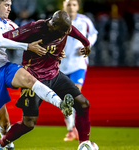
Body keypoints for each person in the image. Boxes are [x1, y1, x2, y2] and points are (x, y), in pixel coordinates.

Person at [0, 10, 91, 150]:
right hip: (33, 79)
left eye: (65, 32)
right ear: (52, 24)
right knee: (28, 123)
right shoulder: (33, 29)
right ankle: (0, 144)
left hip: (54, 74)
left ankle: (84, 143)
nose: (63, 34)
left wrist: (86, 43)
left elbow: (75, 32)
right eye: (61, 31)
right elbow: (0, 39)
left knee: (83, 104)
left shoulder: (64, 28)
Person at [60, 0, 98, 141]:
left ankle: (74, 130)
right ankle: (71, 129)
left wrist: (87, 45)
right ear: (64, 6)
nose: (71, 7)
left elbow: (93, 34)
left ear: (78, 7)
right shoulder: (57, 21)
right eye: (68, 4)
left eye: (74, 4)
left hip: (78, 64)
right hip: (61, 66)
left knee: (74, 96)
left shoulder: (85, 21)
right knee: (65, 99)